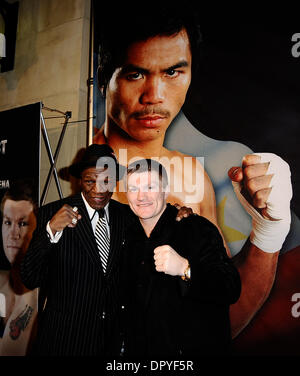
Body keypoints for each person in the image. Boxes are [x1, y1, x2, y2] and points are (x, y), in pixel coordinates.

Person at [92, 5, 293, 338]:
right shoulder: (82, 175)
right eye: (135, 73)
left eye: (172, 72)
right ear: (104, 81)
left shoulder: (190, 177)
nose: (154, 97)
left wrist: (267, 232)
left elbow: (219, 318)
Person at [20, 144, 190, 356]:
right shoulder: (51, 214)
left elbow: (157, 215)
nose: (99, 190)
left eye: (106, 181)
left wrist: (179, 213)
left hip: (110, 344)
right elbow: (29, 277)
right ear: (80, 180)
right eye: (90, 181)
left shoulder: (128, 216)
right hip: (62, 341)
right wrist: (50, 231)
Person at [121, 159, 241, 357]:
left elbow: (231, 287)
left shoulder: (196, 228)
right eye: (133, 188)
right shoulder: (126, 233)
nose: (141, 196)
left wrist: (186, 269)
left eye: (150, 187)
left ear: (165, 190)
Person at [0, 180, 38, 356]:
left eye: (23, 224)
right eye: (8, 222)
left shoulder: (48, 292)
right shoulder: (1, 285)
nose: (13, 234)